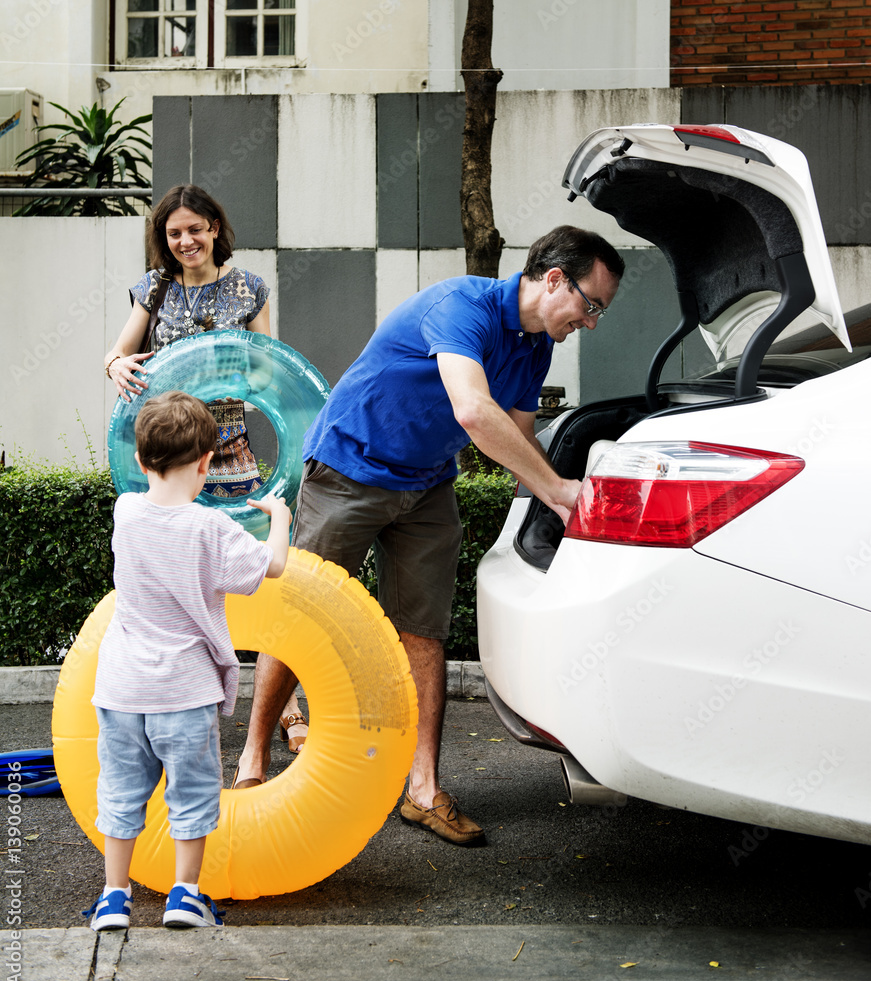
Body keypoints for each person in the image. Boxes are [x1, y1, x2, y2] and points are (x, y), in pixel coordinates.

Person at [233, 225, 624, 845]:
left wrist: (559, 496)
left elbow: (513, 441)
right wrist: (557, 490)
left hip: (426, 485)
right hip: (350, 468)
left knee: (423, 630)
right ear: (554, 279)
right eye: (591, 304)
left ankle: (422, 789)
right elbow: (472, 410)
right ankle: (253, 762)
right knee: (300, 616)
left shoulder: (536, 347)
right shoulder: (461, 307)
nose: (593, 322)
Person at [102, 183, 308, 754]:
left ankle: (283, 705)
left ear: (215, 228)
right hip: (167, 457)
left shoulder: (248, 287)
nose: (186, 241)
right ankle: (177, 695)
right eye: (174, 233)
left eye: (195, 229)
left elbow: (270, 368)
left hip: (228, 453)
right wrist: (116, 365)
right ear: (163, 241)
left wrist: (233, 369)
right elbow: (117, 353)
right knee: (173, 575)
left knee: (252, 580)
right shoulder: (155, 288)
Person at [82, 391, 291, 932]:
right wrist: (280, 516)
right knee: (192, 793)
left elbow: (152, 510)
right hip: (185, 691)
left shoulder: (125, 512)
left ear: (140, 461)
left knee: (122, 792)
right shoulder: (211, 530)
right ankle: (186, 895)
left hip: (122, 690)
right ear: (206, 463)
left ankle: (113, 897)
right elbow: (272, 567)